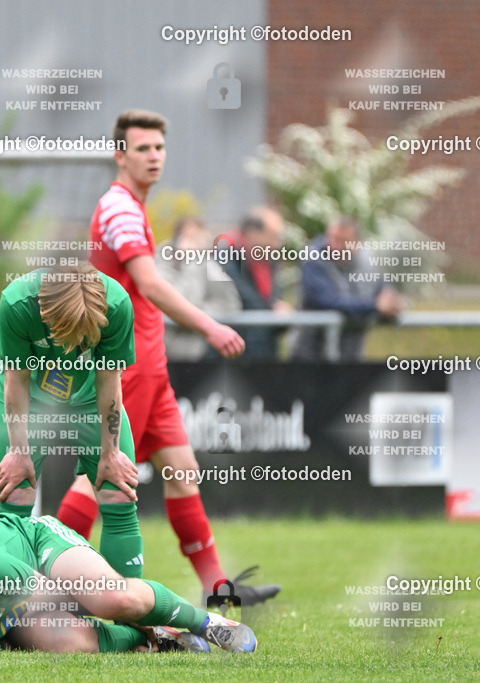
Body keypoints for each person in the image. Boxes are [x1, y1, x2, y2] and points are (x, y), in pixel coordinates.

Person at [53, 110, 279, 607]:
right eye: (143, 149)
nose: (154, 157)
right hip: (122, 367)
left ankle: (217, 588)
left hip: (149, 368)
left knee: (181, 469)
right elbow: (151, 284)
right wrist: (211, 324)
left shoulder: (132, 205)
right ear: (120, 155)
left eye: (159, 148)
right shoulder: (119, 208)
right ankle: (43, 584)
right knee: (97, 475)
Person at [0, 513, 257, 653]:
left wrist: (118, 615)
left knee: (111, 599)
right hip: (9, 607)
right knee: (70, 644)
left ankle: (207, 623)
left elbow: (59, 595)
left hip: (38, 550)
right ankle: (161, 638)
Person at [0, 262, 144, 581]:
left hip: (90, 398)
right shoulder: (18, 303)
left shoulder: (116, 305)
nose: (75, 349)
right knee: (15, 499)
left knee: (119, 491)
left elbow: (109, 381)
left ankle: (131, 616)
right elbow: (16, 380)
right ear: (45, 314)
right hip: (29, 399)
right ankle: (17, 620)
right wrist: (19, 452)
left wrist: (110, 452)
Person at [290, 216, 404, 361]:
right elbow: (328, 301)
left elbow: (385, 292)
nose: (336, 246)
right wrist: (375, 305)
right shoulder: (313, 259)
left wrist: (392, 304)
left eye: (343, 241)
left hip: (350, 355)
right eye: (332, 239)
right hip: (308, 355)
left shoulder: (369, 263)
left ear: (358, 243)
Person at [156, 217, 241, 361]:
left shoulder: (210, 266)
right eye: (190, 237)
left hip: (201, 354)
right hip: (164, 353)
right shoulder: (160, 262)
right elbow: (174, 303)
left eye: (199, 239)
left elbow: (230, 304)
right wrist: (191, 262)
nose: (195, 244)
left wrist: (197, 317)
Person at [220, 207, 293, 359]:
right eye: (274, 237)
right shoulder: (225, 256)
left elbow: (271, 300)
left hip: (265, 353)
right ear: (253, 234)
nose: (278, 243)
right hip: (233, 356)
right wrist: (273, 309)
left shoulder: (269, 260)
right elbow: (243, 298)